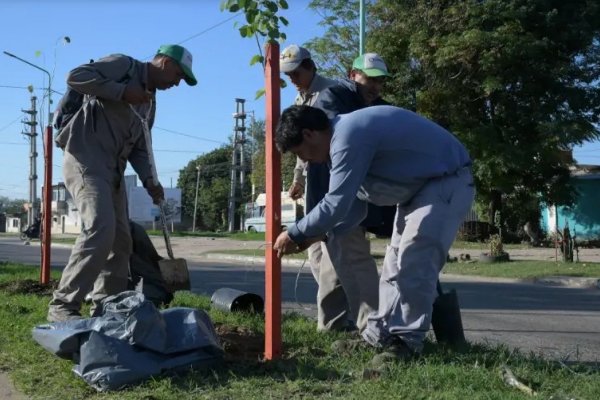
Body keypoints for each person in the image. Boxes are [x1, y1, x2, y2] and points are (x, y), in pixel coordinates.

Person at [273, 105, 474, 368]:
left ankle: (406, 343)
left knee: (415, 261)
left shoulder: (348, 135)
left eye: (301, 153)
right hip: (418, 191)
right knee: (393, 267)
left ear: (310, 134)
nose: (307, 160)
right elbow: (354, 207)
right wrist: (318, 234)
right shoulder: (340, 144)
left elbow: (336, 203)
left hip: (446, 181)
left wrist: (295, 231)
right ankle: (377, 336)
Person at [47, 44, 197, 322]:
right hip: (86, 160)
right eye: (178, 75)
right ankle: (63, 306)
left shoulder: (149, 101)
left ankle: (106, 306)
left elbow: (141, 146)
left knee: (121, 242)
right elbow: (75, 76)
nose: (177, 83)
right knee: (100, 228)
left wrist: (150, 180)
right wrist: (122, 92)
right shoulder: (123, 66)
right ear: (164, 62)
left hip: (114, 171)